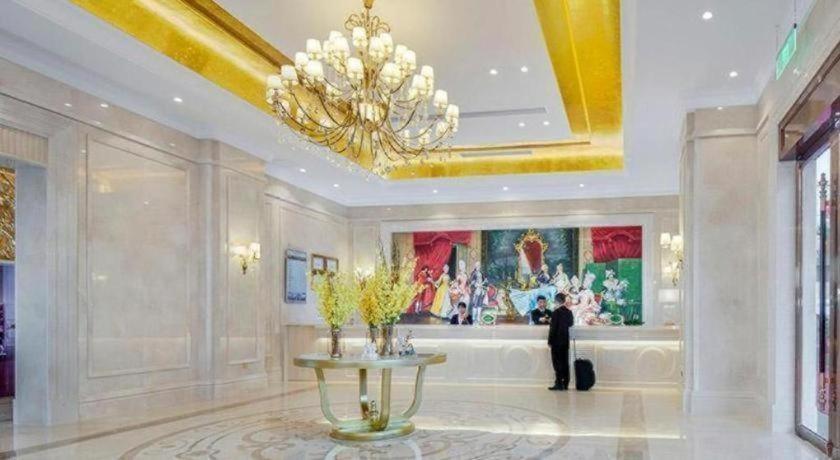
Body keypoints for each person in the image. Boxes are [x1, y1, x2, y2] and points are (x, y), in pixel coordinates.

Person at [548, 292, 574, 391]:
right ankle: (565, 383)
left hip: (556, 342)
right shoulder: (569, 312)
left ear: (557, 301)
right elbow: (570, 324)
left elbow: (553, 328)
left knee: (557, 363)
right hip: (565, 341)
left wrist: (550, 341)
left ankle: (559, 383)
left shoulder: (556, 312)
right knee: (565, 362)